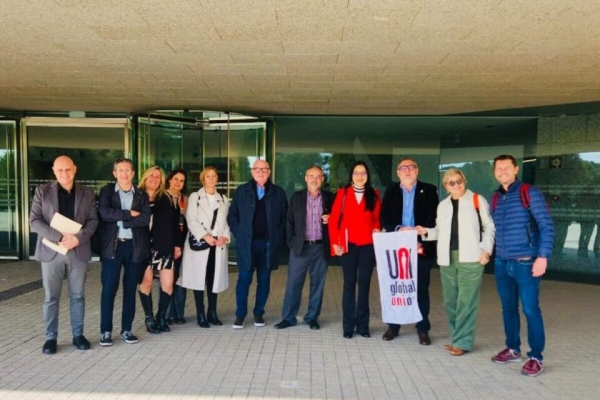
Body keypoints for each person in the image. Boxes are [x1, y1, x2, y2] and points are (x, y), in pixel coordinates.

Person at [416, 168, 495, 356]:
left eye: (459, 181)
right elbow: (440, 231)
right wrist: (426, 231)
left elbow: (489, 227)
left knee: (466, 302)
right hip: (447, 258)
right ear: (446, 186)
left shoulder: (477, 200)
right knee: (451, 301)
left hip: (472, 257)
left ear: (464, 181)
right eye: (451, 183)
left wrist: (487, 250)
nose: (456, 185)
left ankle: (463, 342)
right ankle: (456, 338)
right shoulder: (442, 205)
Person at [490, 154, 554, 377]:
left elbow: (546, 225)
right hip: (501, 261)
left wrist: (543, 256)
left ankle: (536, 356)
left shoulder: (530, 192)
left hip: (526, 262)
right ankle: (513, 348)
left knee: (530, 309)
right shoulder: (496, 198)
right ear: (494, 172)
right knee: (508, 308)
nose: (503, 171)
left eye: (507, 167)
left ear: (516, 169)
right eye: (499, 168)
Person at [30, 155, 98, 354]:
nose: (64, 173)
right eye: (60, 170)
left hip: (78, 250)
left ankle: (78, 335)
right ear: (54, 171)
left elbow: (93, 221)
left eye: (68, 169)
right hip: (52, 251)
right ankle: (50, 338)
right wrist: (59, 237)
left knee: (78, 296)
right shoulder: (42, 192)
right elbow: (34, 221)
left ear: (74, 169)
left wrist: (78, 238)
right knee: (51, 297)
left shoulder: (88, 193)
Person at [380, 157, 438, 345]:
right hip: (397, 248)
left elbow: (433, 216)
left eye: (411, 167)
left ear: (417, 170)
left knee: (420, 288)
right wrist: (398, 229)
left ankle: (422, 328)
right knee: (397, 287)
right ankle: (394, 325)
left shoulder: (429, 190)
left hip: (421, 247)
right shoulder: (391, 191)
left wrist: (419, 235)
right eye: (402, 168)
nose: (407, 171)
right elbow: (384, 217)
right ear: (397, 173)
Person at [227, 159, 288, 329]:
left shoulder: (278, 193)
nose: (260, 172)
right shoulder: (242, 191)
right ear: (252, 172)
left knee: (264, 280)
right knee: (244, 279)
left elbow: (285, 218)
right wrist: (238, 232)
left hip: (268, 245)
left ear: (269, 172)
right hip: (247, 244)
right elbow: (232, 215)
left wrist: (278, 237)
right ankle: (240, 315)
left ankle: (258, 313)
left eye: (264, 169)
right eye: (257, 169)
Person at [98, 158, 151, 346]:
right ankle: (105, 331)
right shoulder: (106, 192)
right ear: (114, 173)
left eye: (128, 170)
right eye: (120, 170)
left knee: (130, 289)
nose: (124, 173)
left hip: (134, 247)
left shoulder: (142, 195)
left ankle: (126, 329)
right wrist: (129, 214)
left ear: (133, 173)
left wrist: (120, 219)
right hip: (112, 247)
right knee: (109, 289)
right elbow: (104, 214)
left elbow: (144, 219)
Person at [274, 165, 334, 331]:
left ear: (323, 179)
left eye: (318, 176)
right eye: (311, 176)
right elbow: (289, 222)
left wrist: (332, 219)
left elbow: (338, 220)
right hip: (301, 248)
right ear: (306, 178)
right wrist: (292, 243)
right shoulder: (296, 197)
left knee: (318, 284)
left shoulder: (330, 197)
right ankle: (288, 318)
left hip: (321, 247)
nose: (315, 179)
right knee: (294, 283)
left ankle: (312, 317)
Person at [329, 161, 381, 339]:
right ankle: (348, 326)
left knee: (365, 285)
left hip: (367, 246)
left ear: (368, 176)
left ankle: (363, 326)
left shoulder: (373, 194)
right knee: (349, 284)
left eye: (364, 173)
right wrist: (334, 242)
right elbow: (334, 220)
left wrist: (377, 227)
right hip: (347, 245)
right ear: (351, 175)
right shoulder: (343, 194)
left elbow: (376, 219)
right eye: (357, 173)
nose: (360, 176)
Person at [179, 166, 230, 327]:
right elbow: (191, 219)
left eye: (214, 176)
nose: (211, 179)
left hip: (218, 244)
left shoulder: (223, 198)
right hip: (201, 243)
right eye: (208, 176)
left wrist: (225, 237)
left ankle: (212, 312)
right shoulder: (195, 197)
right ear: (203, 179)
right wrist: (205, 236)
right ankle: (200, 313)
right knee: (199, 279)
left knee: (213, 279)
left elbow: (227, 221)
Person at [137, 166, 182, 334]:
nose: (155, 179)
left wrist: (177, 244)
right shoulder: (137, 195)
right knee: (146, 282)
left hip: (164, 246)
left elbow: (175, 224)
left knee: (168, 283)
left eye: (158, 177)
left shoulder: (166, 198)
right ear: (145, 177)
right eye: (152, 176)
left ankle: (161, 316)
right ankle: (149, 318)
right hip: (143, 247)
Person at [165, 169, 189, 325]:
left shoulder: (185, 200)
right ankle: (166, 315)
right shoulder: (162, 197)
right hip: (166, 243)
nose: (178, 182)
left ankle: (179, 314)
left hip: (183, 243)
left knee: (181, 280)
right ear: (169, 180)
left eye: (181, 180)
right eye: (176, 179)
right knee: (167, 280)